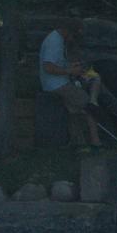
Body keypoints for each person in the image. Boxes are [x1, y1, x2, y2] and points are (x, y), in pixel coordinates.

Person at [39, 18, 101, 148]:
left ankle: (78, 142)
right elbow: (48, 67)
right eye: (74, 35)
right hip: (57, 84)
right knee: (89, 106)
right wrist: (70, 71)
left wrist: (71, 66)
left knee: (73, 110)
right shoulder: (54, 42)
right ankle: (96, 142)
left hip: (58, 82)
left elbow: (57, 63)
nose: (73, 39)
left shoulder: (58, 40)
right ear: (68, 31)